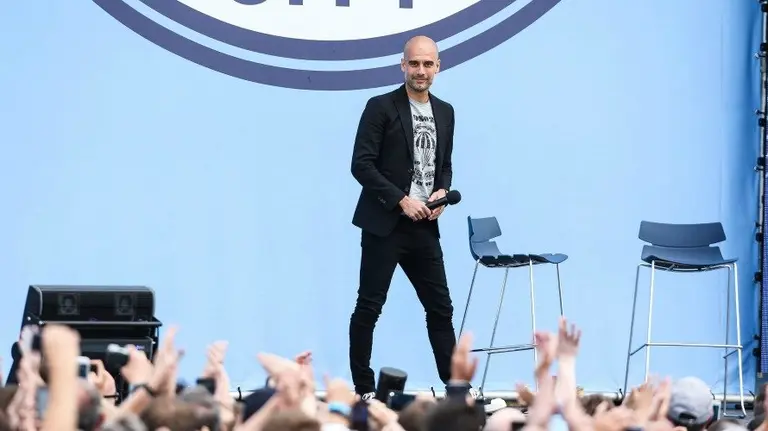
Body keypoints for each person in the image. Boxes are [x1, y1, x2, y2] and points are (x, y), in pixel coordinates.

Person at [348, 35, 458, 399]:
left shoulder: (446, 111)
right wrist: (400, 200)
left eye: (428, 64)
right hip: (385, 226)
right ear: (402, 65)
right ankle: (364, 389)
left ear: (438, 67)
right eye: (414, 64)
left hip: (425, 227)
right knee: (369, 307)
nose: (421, 71)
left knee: (440, 309)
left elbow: (444, 167)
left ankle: (457, 389)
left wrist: (441, 192)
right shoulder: (380, 107)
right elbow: (361, 165)